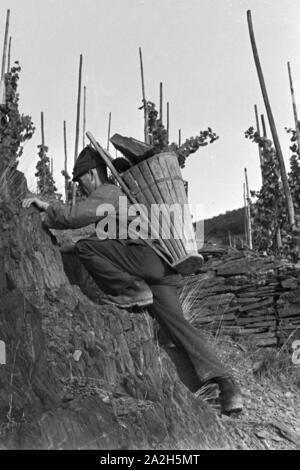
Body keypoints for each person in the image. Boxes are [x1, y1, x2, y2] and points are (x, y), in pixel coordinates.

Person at [22, 145, 243, 414]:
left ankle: (133, 290)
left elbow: (76, 217)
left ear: (92, 174)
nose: (82, 189)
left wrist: (46, 207)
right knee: (179, 328)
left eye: (81, 183)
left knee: (84, 247)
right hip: (163, 267)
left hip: (143, 262)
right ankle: (227, 387)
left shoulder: (109, 192)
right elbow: (114, 238)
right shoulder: (127, 198)